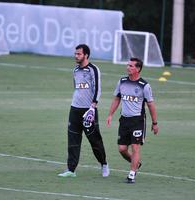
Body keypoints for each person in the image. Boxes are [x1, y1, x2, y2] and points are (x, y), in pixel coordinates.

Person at [58, 44, 110, 178]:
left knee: (94, 140)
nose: (76, 56)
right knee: (73, 140)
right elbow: (76, 88)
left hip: (89, 111)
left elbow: (97, 89)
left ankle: (104, 163)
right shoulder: (75, 70)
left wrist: (93, 107)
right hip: (74, 109)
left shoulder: (93, 70)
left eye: (79, 54)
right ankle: (71, 169)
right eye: (75, 54)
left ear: (86, 55)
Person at [106, 57, 159, 183]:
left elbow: (151, 105)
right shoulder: (122, 82)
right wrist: (110, 115)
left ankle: (132, 174)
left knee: (135, 147)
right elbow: (117, 99)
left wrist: (155, 123)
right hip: (124, 120)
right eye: (128, 65)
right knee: (122, 149)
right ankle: (136, 164)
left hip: (137, 121)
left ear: (138, 69)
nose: (128, 67)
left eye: (131, 66)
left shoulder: (144, 86)